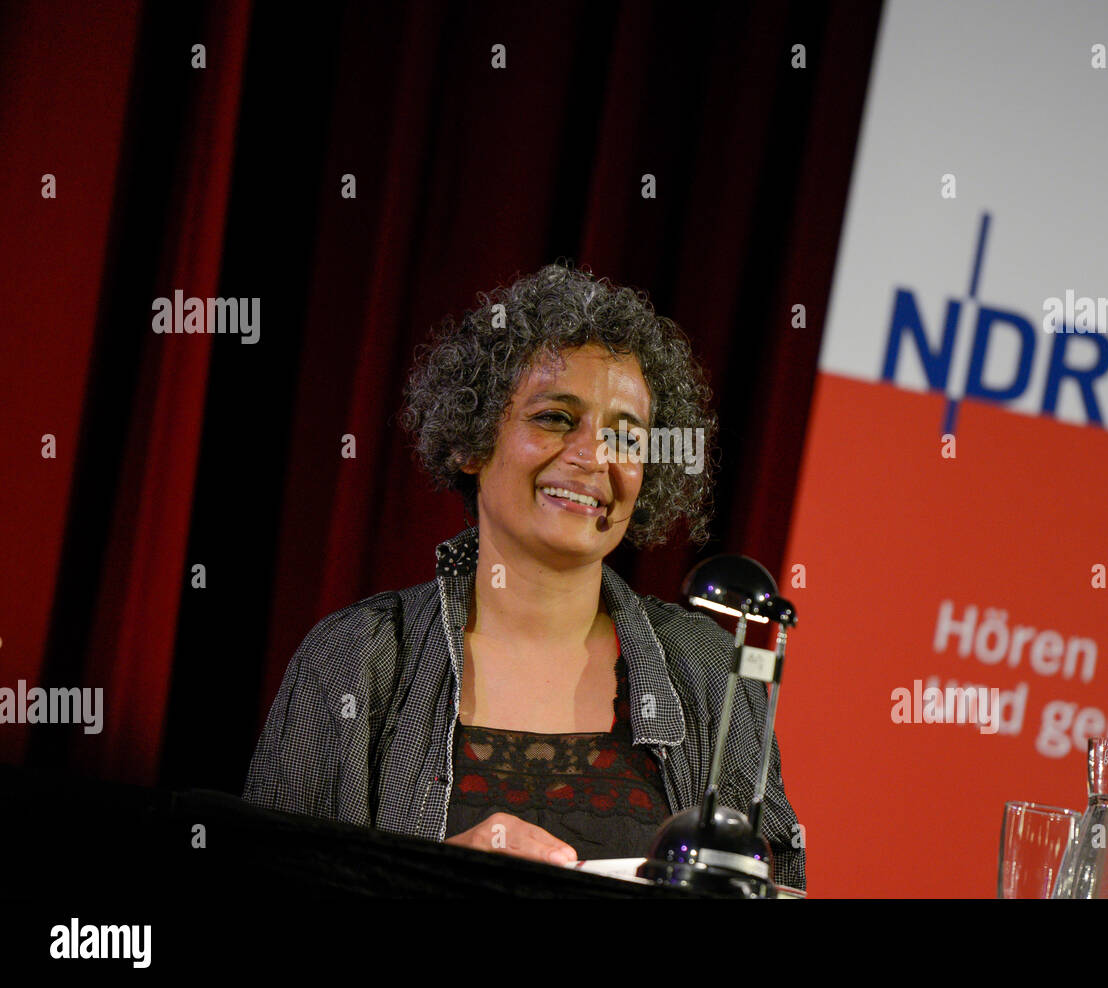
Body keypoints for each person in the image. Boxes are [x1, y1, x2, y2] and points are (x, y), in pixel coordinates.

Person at [241, 263, 806, 891]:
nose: (594, 456)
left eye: (626, 436)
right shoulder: (352, 660)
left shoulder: (708, 671)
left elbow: (779, 877)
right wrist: (431, 880)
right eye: (557, 418)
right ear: (472, 441)